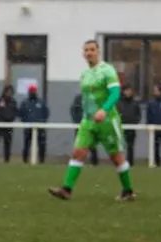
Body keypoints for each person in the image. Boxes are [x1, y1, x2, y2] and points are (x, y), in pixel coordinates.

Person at [48, 40, 136, 201]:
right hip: (88, 121)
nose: (89, 53)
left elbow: (115, 93)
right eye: (86, 50)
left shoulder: (107, 70)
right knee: (77, 153)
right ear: (83, 54)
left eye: (92, 49)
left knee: (116, 157)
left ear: (98, 51)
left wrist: (104, 109)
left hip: (107, 121)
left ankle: (128, 191)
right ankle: (66, 189)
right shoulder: (85, 74)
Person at [18, 85, 49, 163]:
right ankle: (25, 161)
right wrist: (25, 122)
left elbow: (46, 113)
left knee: (41, 145)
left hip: (40, 127)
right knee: (26, 145)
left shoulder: (41, 102)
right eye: (31, 91)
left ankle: (42, 161)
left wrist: (42, 122)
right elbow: (20, 113)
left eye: (34, 90)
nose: (33, 92)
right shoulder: (25, 103)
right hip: (28, 127)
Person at [117, 85, 141, 165]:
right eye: (127, 90)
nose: (128, 92)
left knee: (130, 146)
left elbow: (138, 115)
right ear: (123, 91)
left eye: (130, 90)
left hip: (131, 128)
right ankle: (120, 162)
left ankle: (130, 163)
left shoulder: (135, 103)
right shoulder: (119, 102)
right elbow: (115, 114)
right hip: (121, 128)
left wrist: (135, 122)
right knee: (120, 146)